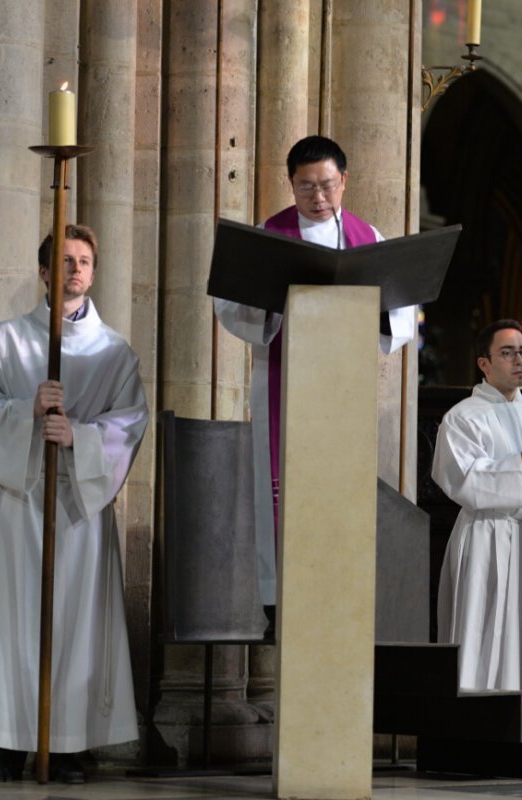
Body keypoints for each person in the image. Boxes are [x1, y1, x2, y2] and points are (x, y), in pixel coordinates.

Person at [0, 225, 149, 783]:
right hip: (23, 501)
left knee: (76, 621)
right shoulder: (8, 341)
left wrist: (79, 437)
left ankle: (67, 745)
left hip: (79, 508)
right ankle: (9, 743)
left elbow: (130, 421)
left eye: (85, 261)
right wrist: (27, 411)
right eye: (64, 261)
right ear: (44, 272)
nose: (75, 270)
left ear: (94, 272)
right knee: (14, 619)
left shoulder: (114, 351)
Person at [214, 135, 415, 619]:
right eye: (307, 187)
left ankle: (340, 592)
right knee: (284, 491)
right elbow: (231, 303)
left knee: (339, 496)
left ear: (344, 180)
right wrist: (275, 305)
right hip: (284, 380)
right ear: (291, 184)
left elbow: (402, 314)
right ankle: (279, 603)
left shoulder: (372, 239)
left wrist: (377, 313)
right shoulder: (267, 236)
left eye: (327, 185)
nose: (318, 198)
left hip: (345, 390)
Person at [432, 319, 522, 736]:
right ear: (484, 363)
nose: (519, 361)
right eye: (508, 353)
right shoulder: (462, 417)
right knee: (481, 627)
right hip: (484, 536)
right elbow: (459, 480)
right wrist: (521, 462)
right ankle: (472, 733)